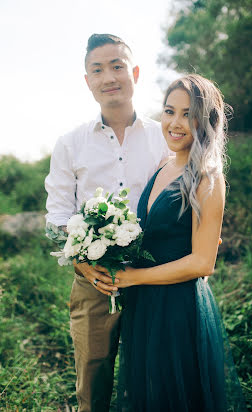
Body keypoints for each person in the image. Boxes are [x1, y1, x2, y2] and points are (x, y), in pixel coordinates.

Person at [97, 74, 247, 411]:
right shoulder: (164, 165)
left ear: (205, 120)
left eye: (188, 113)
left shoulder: (208, 177)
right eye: (169, 111)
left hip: (177, 306)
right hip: (144, 304)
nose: (175, 123)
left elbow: (202, 263)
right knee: (148, 394)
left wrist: (134, 277)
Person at [45, 33, 169, 412]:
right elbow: (57, 216)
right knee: (93, 373)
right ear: (88, 81)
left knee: (150, 373)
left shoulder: (164, 136)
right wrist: (84, 263)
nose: (108, 77)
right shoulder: (70, 143)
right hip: (92, 281)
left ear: (133, 73)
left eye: (117, 66)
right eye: (97, 70)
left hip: (154, 278)